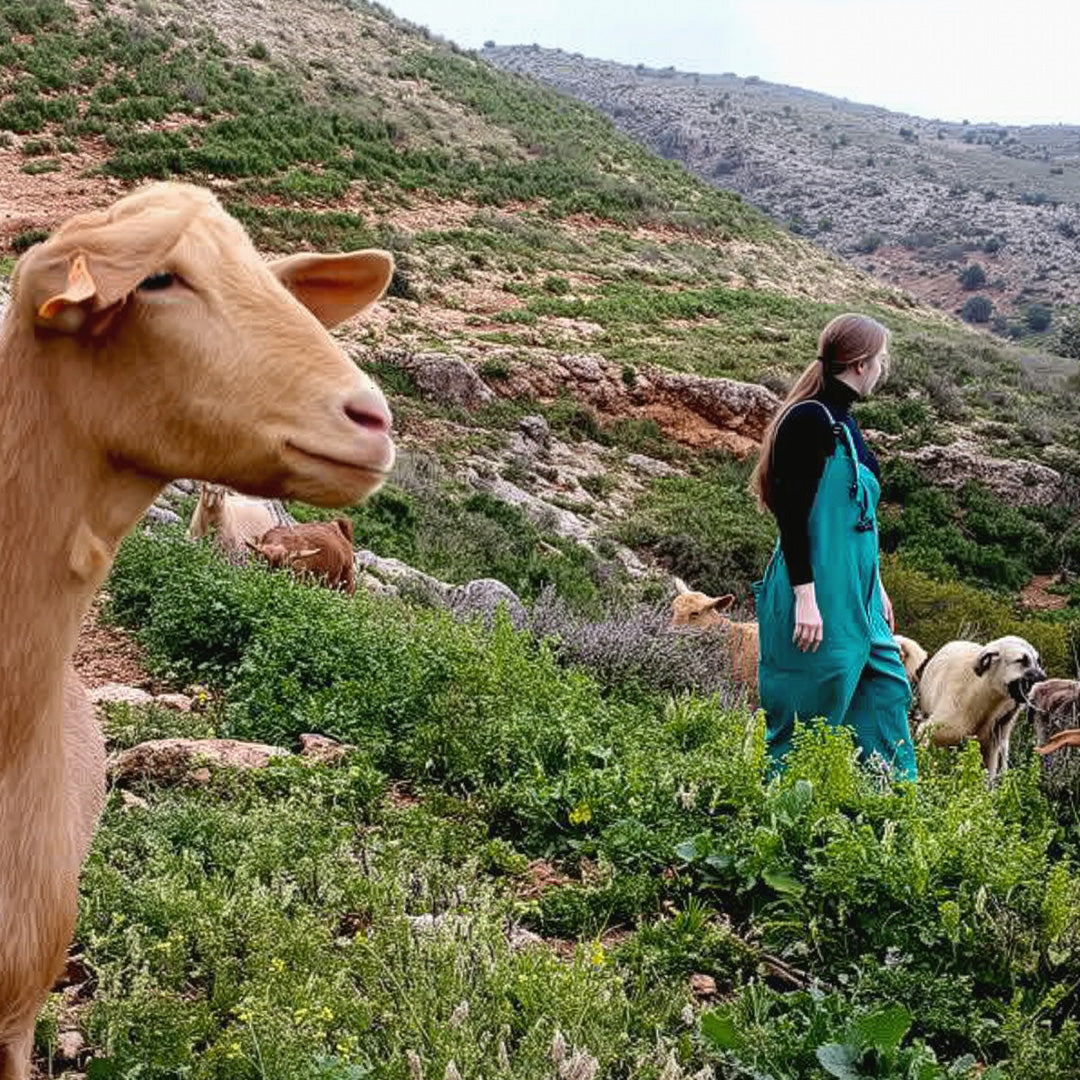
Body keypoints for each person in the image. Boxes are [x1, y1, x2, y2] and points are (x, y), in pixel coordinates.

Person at [750, 313, 916, 781]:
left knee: (886, 693)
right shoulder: (808, 419)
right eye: (881, 359)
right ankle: (778, 828)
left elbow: (859, 524)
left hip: (858, 599)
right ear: (861, 364)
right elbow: (791, 512)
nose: (884, 369)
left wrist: (877, 586)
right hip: (818, 595)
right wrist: (806, 597)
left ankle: (888, 819)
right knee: (806, 720)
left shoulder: (846, 425)